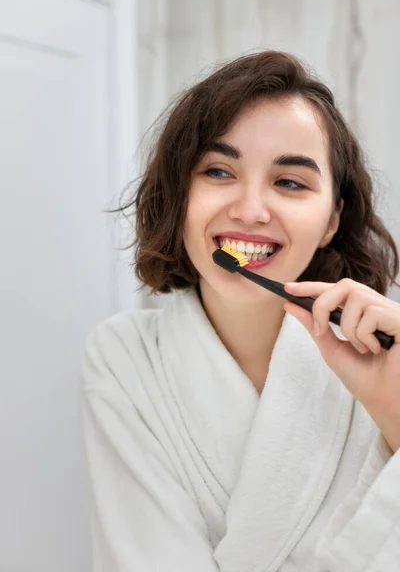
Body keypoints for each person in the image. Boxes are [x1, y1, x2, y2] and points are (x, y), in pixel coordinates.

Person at [80, 51, 400, 571]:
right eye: (218, 171)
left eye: (290, 182)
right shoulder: (125, 356)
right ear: (179, 195)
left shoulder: (387, 351)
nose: (251, 209)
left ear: (330, 221)